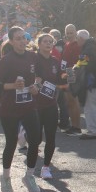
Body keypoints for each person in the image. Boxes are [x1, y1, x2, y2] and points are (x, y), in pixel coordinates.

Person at [0, 26, 42, 192]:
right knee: (11, 142)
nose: (22, 41)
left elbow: (40, 76)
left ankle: (29, 176)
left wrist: (36, 86)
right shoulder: (6, 60)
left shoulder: (33, 57)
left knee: (35, 139)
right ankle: (6, 177)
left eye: (24, 38)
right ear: (12, 42)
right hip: (10, 108)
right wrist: (13, 85)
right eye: (18, 39)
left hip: (28, 105)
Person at [32, 32, 67, 177]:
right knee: (36, 139)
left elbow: (60, 79)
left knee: (51, 136)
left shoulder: (55, 61)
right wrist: (35, 83)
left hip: (51, 103)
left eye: (50, 41)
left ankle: (46, 167)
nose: (48, 44)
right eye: (45, 41)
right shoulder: (33, 59)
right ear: (39, 44)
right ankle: (31, 167)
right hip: (35, 105)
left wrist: (68, 76)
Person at [76, 28, 96, 140]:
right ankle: (94, 129)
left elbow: (90, 65)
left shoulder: (88, 49)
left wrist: (78, 68)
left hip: (93, 82)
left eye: (77, 38)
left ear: (81, 38)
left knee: (90, 107)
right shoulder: (93, 46)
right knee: (93, 105)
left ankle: (92, 131)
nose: (76, 41)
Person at [60, 24, 83, 134]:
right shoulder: (67, 44)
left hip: (72, 72)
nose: (69, 35)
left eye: (71, 32)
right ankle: (73, 125)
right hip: (65, 73)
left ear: (75, 32)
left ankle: (77, 126)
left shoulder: (78, 45)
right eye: (67, 33)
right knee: (68, 101)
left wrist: (74, 73)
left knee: (73, 100)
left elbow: (81, 61)